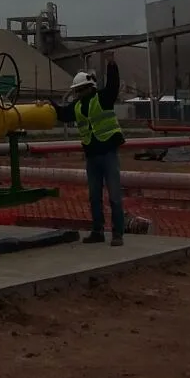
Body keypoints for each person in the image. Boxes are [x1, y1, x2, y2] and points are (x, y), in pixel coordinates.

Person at [52, 58, 126, 246]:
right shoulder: (76, 107)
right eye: (77, 91)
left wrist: (111, 66)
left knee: (114, 196)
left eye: (80, 89)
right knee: (94, 197)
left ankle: (117, 234)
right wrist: (47, 105)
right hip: (92, 157)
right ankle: (97, 231)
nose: (78, 93)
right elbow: (60, 113)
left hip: (108, 154)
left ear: (89, 87)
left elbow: (113, 86)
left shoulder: (103, 98)